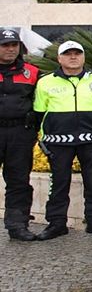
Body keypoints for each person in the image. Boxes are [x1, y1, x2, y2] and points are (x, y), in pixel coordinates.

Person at [34, 41, 92, 239]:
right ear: (59, 58)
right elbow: (38, 113)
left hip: (91, 140)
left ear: (84, 57)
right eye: (67, 54)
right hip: (58, 142)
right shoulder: (45, 82)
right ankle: (57, 223)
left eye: (77, 53)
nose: (73, 57)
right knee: (59, 182)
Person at [0, 29, 39, 241]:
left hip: (19, 134)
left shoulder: (32, 72)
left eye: (14, 45)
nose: (10, 49)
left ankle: (18, 225)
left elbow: (39, 103)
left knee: (19, 182)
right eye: (5, 45)